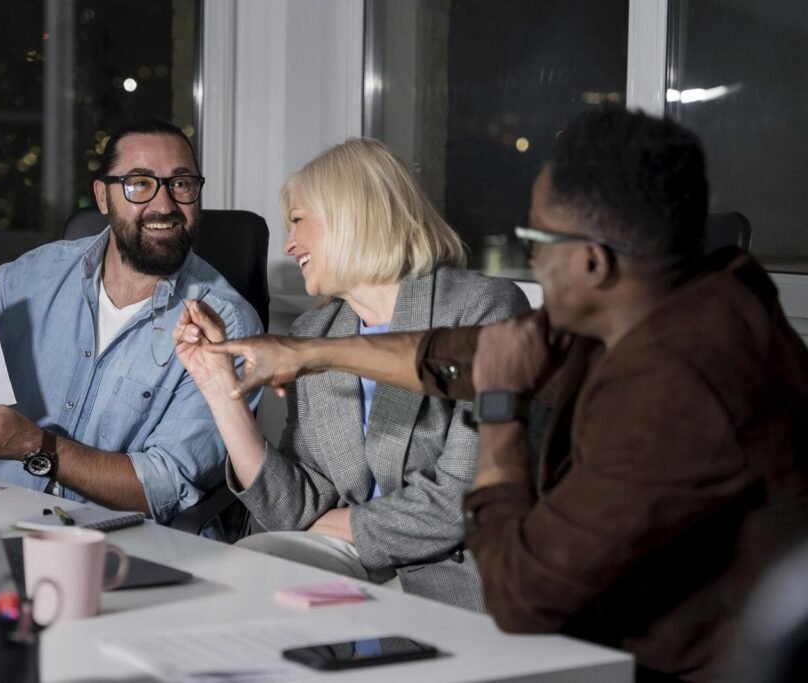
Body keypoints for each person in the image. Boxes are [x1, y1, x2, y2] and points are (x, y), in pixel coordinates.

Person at [203, 108, 808, 680]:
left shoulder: (673, 391)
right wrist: (309, 353)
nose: (530, 264)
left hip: (663, 664)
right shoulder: (677, 303)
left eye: (537, 242)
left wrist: (497, 406)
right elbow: (460, 354)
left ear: (594, 262)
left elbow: (522, 594)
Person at [174, 137, 530, 609]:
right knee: (244, 576)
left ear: (351, 213)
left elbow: (467, 499)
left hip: (460, 569)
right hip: (352, 556)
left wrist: (339, 524)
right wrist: (221, 388)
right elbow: (294, 506)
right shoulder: (315, 329)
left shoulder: (484, 308)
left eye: (298, 220)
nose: (288, 244)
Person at [0, 119, 262, 529]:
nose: (164, 204)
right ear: (103, 196)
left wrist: (36, 446)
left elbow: (165, 485)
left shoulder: (227, 325)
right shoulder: (32, 275)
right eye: (139, 184)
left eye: (182, 183)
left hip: (119, 544)